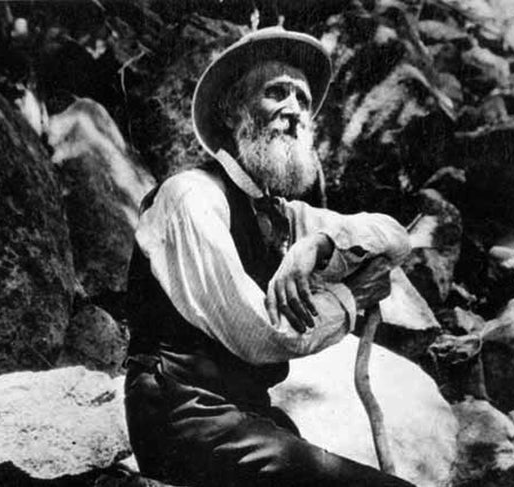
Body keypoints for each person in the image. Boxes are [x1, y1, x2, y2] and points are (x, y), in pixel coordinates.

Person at [124, 27, 414, 487]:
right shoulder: (190, 195)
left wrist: (317, 245)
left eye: (302, 98)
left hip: (242, 417)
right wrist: (350, 298)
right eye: (276, 92)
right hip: (184, 417)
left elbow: (395, 237)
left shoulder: (281, 215)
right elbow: (258, 334)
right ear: (234, 110)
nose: (295, 109)